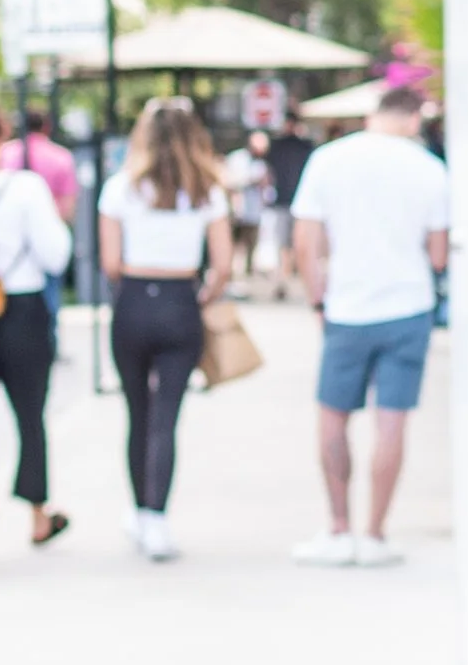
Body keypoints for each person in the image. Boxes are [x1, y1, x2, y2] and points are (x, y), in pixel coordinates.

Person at [290, 85, 451, 567]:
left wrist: (317, 297)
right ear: (412, 119)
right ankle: (376, 534)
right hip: (408, 306)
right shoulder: (430, 168)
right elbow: (439, 254)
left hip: (348, 307)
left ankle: (339, 530)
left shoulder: (329, 160)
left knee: (333, 416)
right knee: (392, 422)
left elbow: (305, 241)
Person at [98, 96, 232, 560]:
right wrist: (202, 296)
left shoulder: (120, 188)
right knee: (167, 418)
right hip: (180, 302)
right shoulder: (208, 190)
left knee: (136, 413)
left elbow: (110, 263)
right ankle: (157, 517)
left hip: (134, 299)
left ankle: (138, 510)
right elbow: (223, 267)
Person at [0, 101, 76, 546]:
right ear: (1, 137)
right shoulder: (24, 188)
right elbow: (56, 254)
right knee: (30, 417)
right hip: (21, 310)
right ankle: (39, 517)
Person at [260, 115, 314, 297]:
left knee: (288, 242)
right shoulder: (304, 146)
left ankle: (286, 276)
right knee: (289, 242)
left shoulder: (283, 146)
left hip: (289, 200)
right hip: (292, 200)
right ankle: (286, 276)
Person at [222, 130, 270, 283]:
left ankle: (246, 278)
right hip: (237, 211)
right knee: (234, 246)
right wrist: (249, 180)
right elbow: (228, 181)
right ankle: (231, 279)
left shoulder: (261, 164)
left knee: (251, 246)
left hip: (254, 211)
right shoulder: (237, 159)